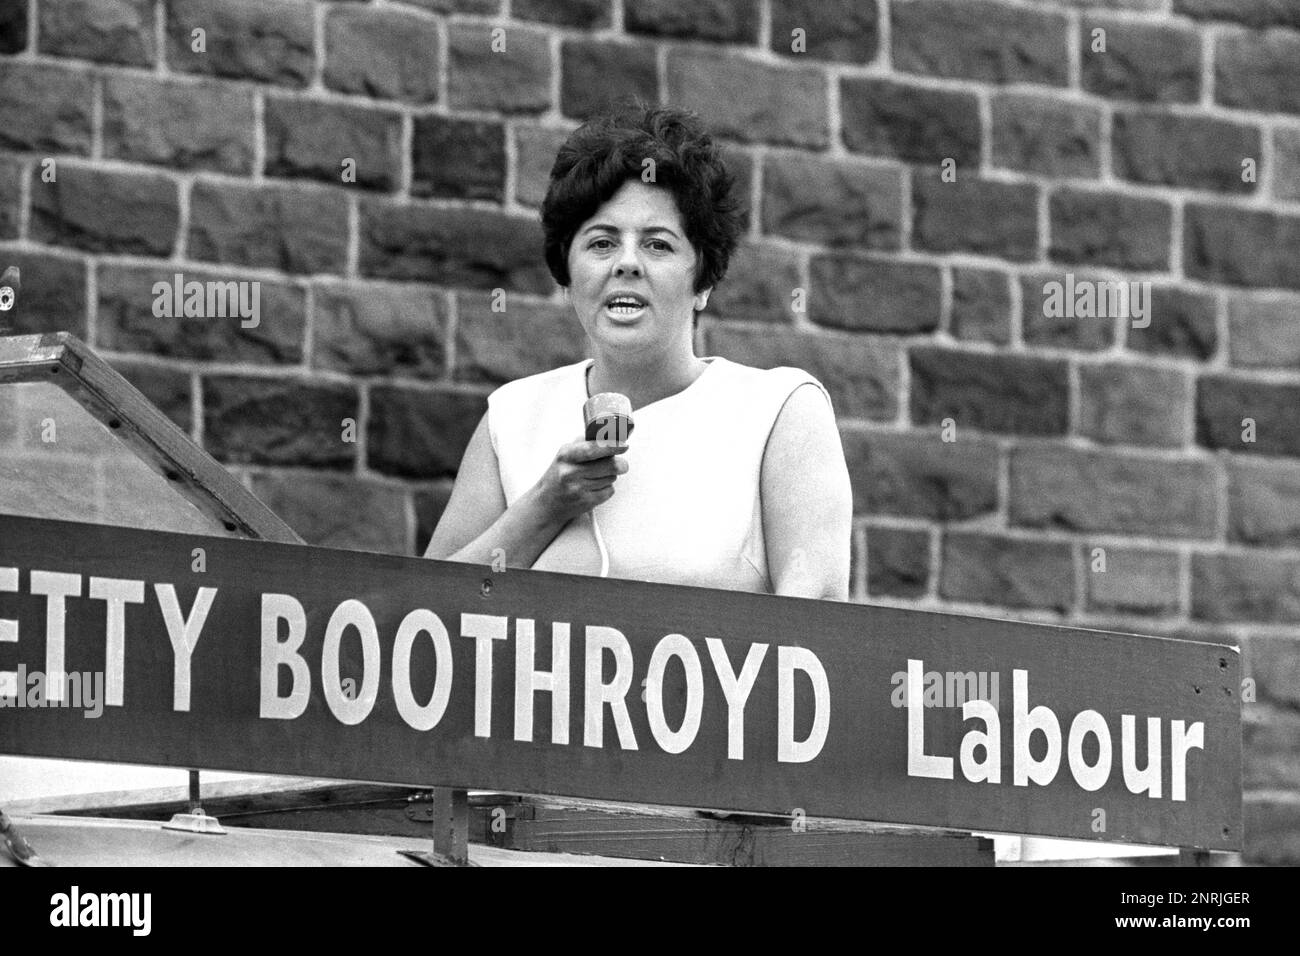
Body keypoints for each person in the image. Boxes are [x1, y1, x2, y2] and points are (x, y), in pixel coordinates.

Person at [424, 103, 851, 600]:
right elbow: (429, 613)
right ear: (568, 274)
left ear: (703, 282)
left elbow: (813, 622)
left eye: (658, 245)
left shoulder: (778, 411)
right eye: (602, 243)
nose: (626, 263)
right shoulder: (513, 418)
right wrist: (545, 507)